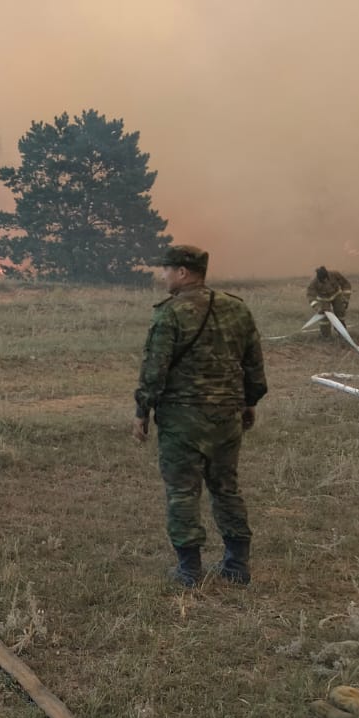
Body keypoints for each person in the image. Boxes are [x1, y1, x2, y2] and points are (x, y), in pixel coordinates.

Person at [132, 244, 267, 587]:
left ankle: (189, 569)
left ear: (182, 272)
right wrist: (250, 402)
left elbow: (154, 369)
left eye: (166, 270)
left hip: (182, 419)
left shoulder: (170, 313)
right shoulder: (236, 308)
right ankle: (237, 565)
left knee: (182, 491)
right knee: (226, 488)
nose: (162, 276)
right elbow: (252, 362)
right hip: (227, 417)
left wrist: (142, 411)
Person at [306, 265, 351, 344]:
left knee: (340, 313)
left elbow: (346, 284)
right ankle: (326, 337)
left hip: (336, 295)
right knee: (324, 318)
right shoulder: (314, 283)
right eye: (322, 280)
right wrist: (318, 307)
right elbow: (310, 296)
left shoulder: (335, 274)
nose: (325, 280)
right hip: (323, 299)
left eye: (326, 278)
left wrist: (346, 299)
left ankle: (342, 333)